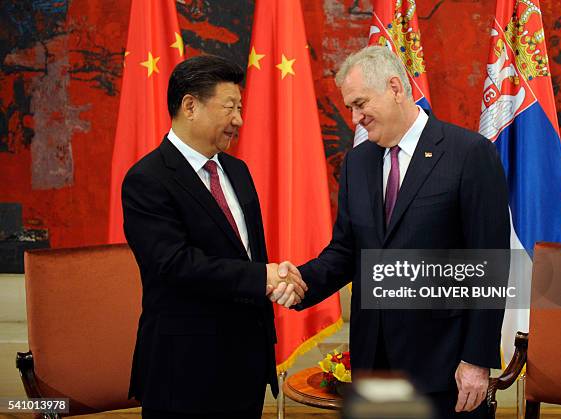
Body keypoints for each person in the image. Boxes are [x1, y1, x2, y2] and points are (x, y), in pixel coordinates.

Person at [274, 46, 510, 418]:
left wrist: (476, 360)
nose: (354, 118)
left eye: (360, 103)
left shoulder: (468, 154)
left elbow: (490, 265)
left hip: (444, 365)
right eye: (350, 108)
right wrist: (301, 281)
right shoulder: (358, 162)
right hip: (374, 362)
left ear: (396, 88)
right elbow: (347, 251)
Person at [122, 54, 306, 418]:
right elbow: (174, 265)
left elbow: (250, 256)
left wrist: (274, 280)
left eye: (240, 107)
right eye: (230, 107)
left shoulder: (237, 171)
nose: (238, 120)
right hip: (185, 370)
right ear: (190, 106)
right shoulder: (147, 179)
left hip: (246, 364)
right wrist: (263, 277)